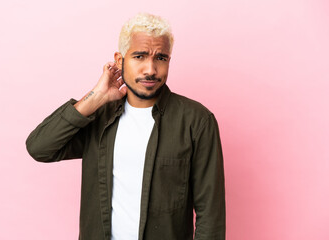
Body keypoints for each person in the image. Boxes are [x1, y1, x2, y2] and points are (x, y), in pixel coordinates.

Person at [26, 13, 225, 240]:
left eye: (161, 58)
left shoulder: (196, 121)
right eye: (139, 56)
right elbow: (39, 147)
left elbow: (210, 214)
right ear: (120, 60)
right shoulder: (98, 117)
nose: (150, 69)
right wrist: (94, 98)